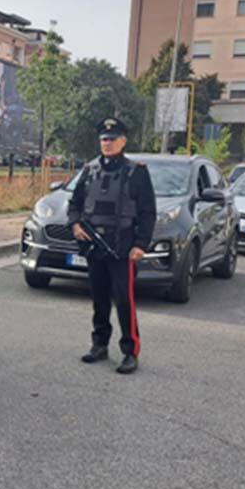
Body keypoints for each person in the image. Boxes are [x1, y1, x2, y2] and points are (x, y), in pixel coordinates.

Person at [66, 117, 156, 374]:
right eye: (104, 139)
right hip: (94, 247)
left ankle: (130, 351)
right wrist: (75, 226)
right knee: (99, 299)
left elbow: (148, 211)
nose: (107, 143)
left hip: (122, 246)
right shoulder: (89, 170)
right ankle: (99, 345)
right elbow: (75, 204)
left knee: (124, 301)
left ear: (123, 141)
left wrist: (141, 244)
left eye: (113, 139)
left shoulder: (136, 172)